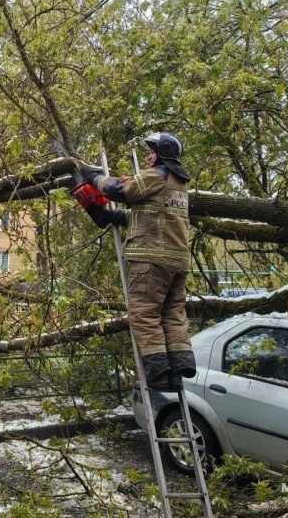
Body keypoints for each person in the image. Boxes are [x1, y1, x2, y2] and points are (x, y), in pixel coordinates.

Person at [72, 132, 196, 391]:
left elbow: (121, 190)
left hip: (150, 261)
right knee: (172, 316)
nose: (149, 156)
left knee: (144, 314)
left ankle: (158, 374)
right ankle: (177, 370)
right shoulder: (179, 185)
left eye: (152, 151)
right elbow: (154, 219)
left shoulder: (156, 175)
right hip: (178, 262)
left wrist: (94, 178)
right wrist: (112, 217)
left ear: (163, 153)